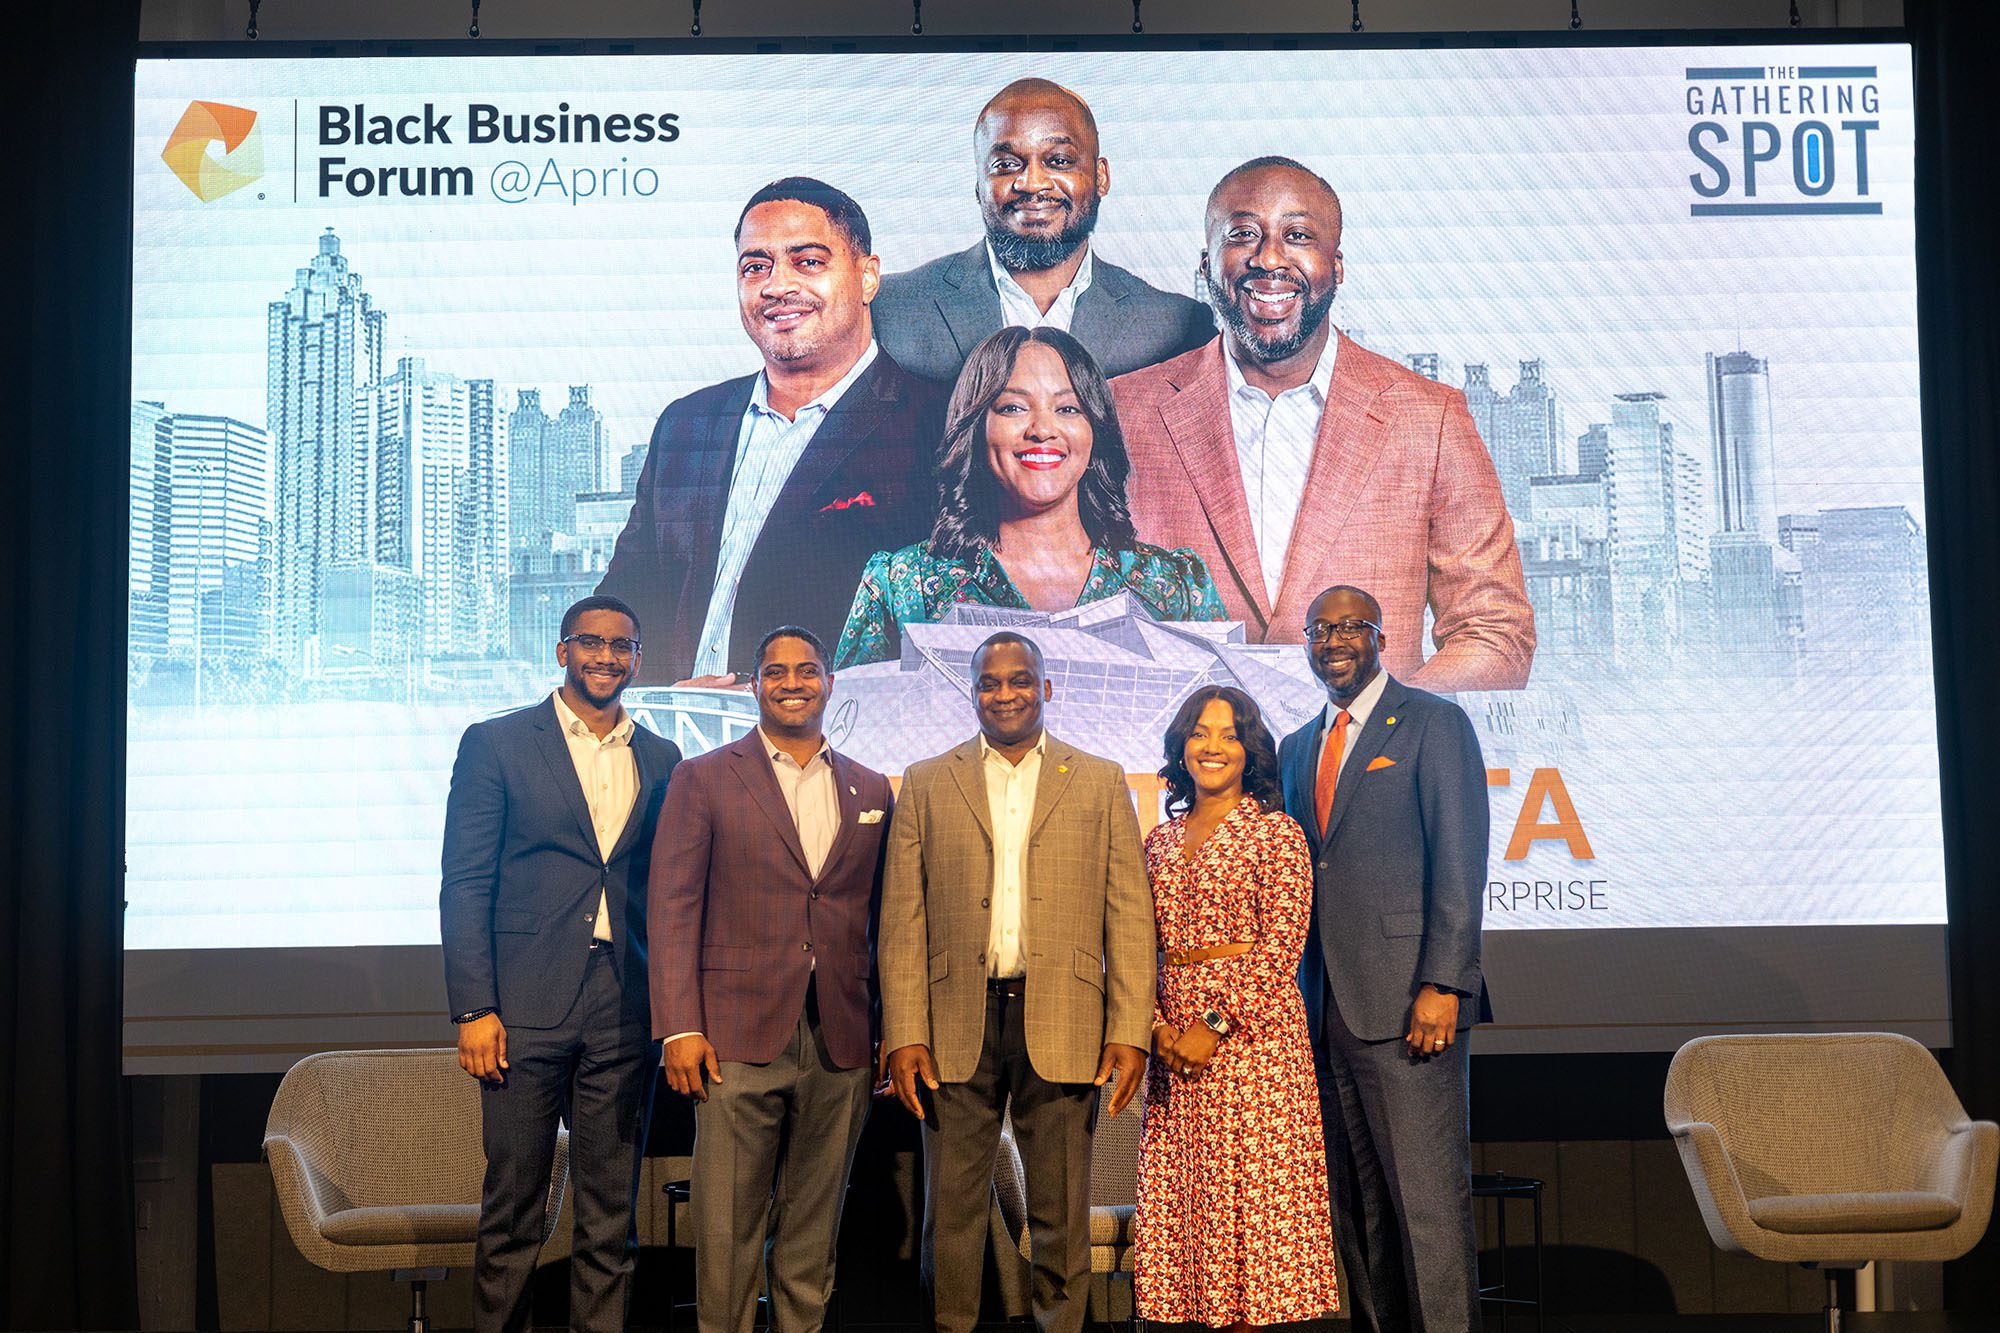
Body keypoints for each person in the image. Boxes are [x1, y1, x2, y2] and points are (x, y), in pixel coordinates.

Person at [1112, 156, 1536, 692]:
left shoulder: (1430, 419)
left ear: (1336, 265)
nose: (1269, 258)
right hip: (1176, 764)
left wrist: (1383, 725)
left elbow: (1496, 629)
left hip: (1372, 769)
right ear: (1206, 263)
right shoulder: (1121, 414)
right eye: (1243, 234)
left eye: (1297, 235)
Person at [878, 631, 1155, 1333]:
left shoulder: (1097, 778)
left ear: (1046, 688)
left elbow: (1127, 915)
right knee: (954, 1211)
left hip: (1063, 1019)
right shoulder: (926, 780)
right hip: (953, 1025)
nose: (1005, 693)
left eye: (1019, 679)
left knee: (1060, 1210)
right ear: (971, 691)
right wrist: (905, 1031)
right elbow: (902, 920)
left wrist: (1128, 1029)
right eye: (989, 682)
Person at [440, 594, 682, 1333]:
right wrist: (474, 1009)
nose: (606, 656)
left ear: (638, 658)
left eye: (622, 645)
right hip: (522, 1009)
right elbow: (465, 881)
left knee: (611, 1218)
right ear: (562, 650)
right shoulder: (498, 742)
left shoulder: (662, 755)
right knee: (514, 1210)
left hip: (623, 1005)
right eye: (591, 642)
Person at [598, 176, 948, 685]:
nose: (777, 286)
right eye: (756, 266)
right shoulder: (686, 426)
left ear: (868, 277)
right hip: (670, 743)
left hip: (832, 745)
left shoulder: (936, 426)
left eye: (808, 262)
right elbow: (628, 598)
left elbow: (939, 631)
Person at [647, 624, 895, 1333]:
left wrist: (886, 1030)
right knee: (727, 1231)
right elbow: (672, 906)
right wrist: (681, 1026)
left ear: (830, 682)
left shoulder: (870, 786)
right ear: (755, 683)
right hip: (731, 1038)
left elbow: (882, 924)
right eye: (777, 670)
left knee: (813, 1236)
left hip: (841, 1043)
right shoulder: (703, 776)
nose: (793, 681)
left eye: (807, 669)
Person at [1278, 584, 1494, 1333]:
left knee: (1427, 1213)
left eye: (1350, 626)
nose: (1333, 640)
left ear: (1380, 635)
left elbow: (1460, 865)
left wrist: (1443, 982)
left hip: (1411, 1007)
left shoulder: (1434, 723)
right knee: (1361, 1215)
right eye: (1318, 629)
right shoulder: (1297, 745)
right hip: (1327, 1014)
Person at [834, 325, 1224, 668]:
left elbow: (1233, 732)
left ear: (1095, 432)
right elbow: (851, 736)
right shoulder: (900, 587)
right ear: (975, 429)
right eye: (1014, 407)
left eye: (1068, 408)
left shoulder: (1178, 586)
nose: (1042, 429)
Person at [1135, 685, 1339, 1328]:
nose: (1213, 747)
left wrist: (1212, 1027)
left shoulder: (1277, 836)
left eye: (1228, 735)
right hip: (1176, 1060)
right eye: (1200, 733)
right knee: (1189, 1226)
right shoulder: (1157, 844)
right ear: (1181, 747)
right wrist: (1160, 1029)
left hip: (1254, 1055)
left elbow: (1279, 951)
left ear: (1250, 752)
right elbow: (1140, 946)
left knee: (1253, 1228)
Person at [873, 78, 1214, 387]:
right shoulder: (888, 309)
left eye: (1059, 161)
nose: (1032, 183)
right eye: (1006, 165)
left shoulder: (1176, 327)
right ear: (979, 185)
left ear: (1100, 177)